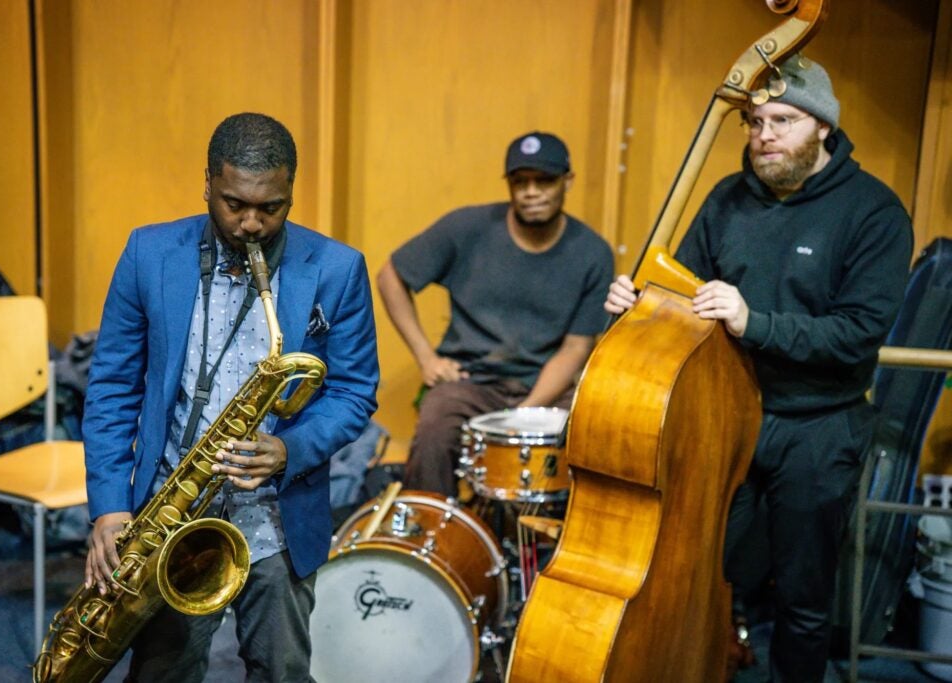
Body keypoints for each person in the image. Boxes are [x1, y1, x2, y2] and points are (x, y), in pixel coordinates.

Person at [605, 55, 913, 682]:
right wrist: (640, 303)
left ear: (823, 127)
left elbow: (858, 334)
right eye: (753, 121)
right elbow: (681, 290)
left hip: (819, 426)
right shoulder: (727, 198)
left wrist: (755, 322)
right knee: (708, 574)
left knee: (801, 599)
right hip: (727, 414)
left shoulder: (873, 212)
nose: (764, 135)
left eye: (783, 120)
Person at [82, 113, 379, 682]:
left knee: (281, 670)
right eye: (233, 203)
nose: (251, 223)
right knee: (162, 672)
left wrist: (289, 449)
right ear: (207, 184)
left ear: (290, 192)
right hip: (171, 517)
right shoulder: (148, 253)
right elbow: (113, 387)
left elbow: (354, 391)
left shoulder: (338, 269)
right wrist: (109, 507)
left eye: (272, 208)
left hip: (277, 521)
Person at [377, 131, 615, 498]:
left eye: (544, 180)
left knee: (592, 434)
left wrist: (523, 414)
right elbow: (391, 275)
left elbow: (576, 348)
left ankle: (560, 544)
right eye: (520, 182)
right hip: (472, 380)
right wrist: (427, 358)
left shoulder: (593, 253)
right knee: (435, 427)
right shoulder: (466, 228)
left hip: (549, 387)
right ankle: (431, 539)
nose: (531, 191)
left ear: (568, 180)